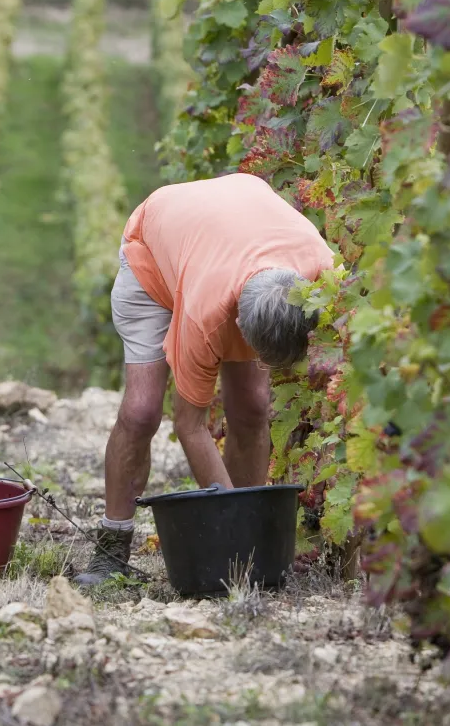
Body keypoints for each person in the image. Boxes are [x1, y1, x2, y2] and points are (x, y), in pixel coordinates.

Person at [74, 173, 336, 586]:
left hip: (232, 237)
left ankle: (251, 548)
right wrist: (232, 529)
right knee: (142, 411)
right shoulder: (205, 312)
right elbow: (189, 425)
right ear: (238, 322)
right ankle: (111, 549)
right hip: (155, 262)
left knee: (252, 404)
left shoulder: (322, 273)